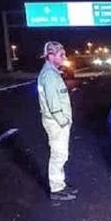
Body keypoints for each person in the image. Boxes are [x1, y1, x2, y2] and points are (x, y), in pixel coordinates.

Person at [37, 41, 77, 201]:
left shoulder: (52, 72)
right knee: (59, 155)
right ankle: (56, 189)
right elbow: (54, 104)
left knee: (61, 154)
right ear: (51, 56)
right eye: (61, 55)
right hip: (56, 122)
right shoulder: (49, 75)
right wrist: (64, 121)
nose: (64, 57)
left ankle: (60, 184)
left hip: (55, 121)